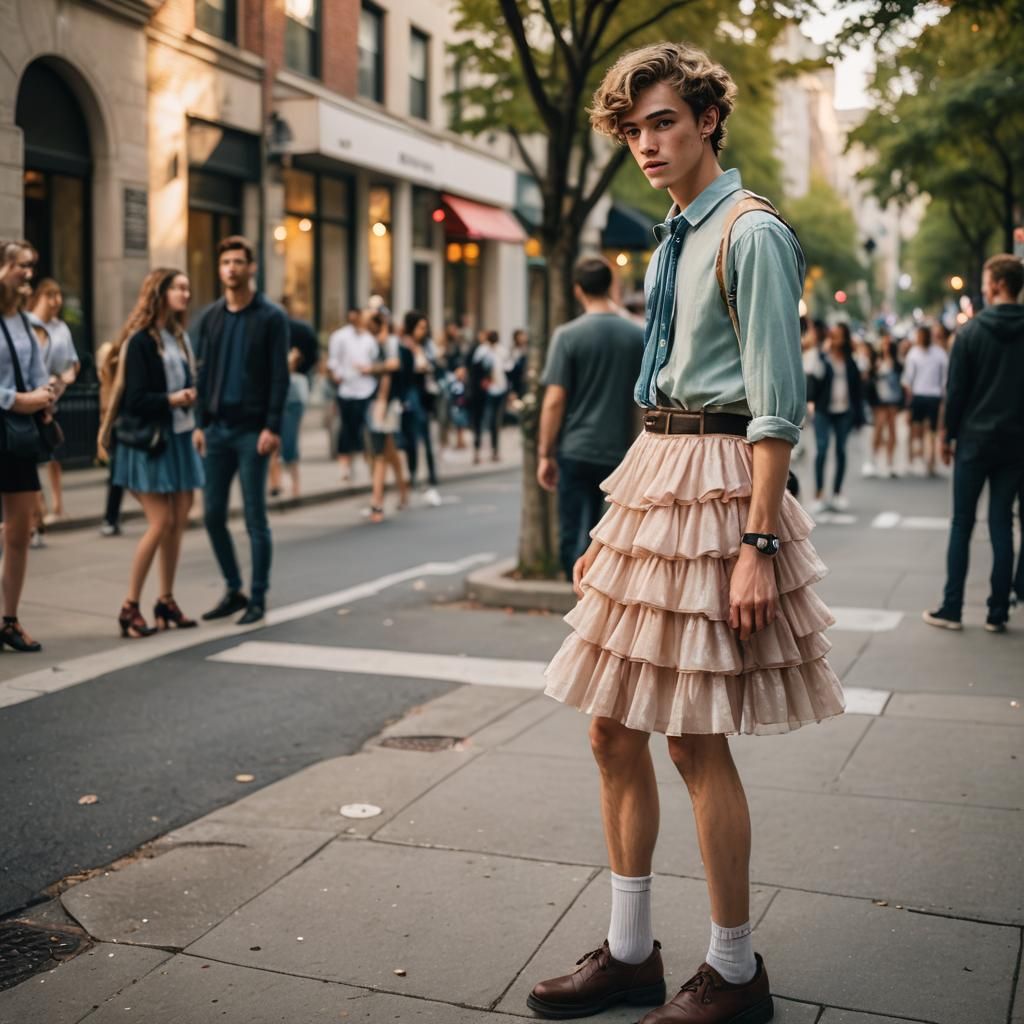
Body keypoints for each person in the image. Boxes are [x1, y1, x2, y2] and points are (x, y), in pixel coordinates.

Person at [530, 44, 844, 1024]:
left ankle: (735, 971)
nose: (646, 143)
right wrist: (615, 527)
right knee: (610, 726)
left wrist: (757, 545)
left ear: (708, 118)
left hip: (718, 486)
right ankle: (630, 955)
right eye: (632, 130)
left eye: (662, 121)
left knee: (691, 738)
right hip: (656, 478)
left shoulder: (751, 233)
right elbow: (657, 397)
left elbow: (776, 407)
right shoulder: (671, 238)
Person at [98, 269, 204, 637]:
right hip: (150, 442)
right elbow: (136, 400)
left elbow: (191, 383)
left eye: (187, 287)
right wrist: (174, 399)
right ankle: (129, 607)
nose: (185, 293)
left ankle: (165, 601)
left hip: (180, 437)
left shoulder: (179, 338)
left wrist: (194, 410)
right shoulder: (141, 341)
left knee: (177, 521)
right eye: (178, 287)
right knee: (160, 522)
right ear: (159, 292)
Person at [923, 254, 1024, 634]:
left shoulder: (970, 333)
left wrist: (947, 435)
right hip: (1015, 442)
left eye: (985, 282)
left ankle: (952, 607)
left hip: (974, 440)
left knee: (962, 523)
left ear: (997, 285)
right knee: (1002, 523)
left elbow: (957, 392)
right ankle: (998, 611)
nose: (982, 289)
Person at [193, 236, 288, 626]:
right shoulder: (211, 317)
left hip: (253, 432)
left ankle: (258, 597)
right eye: (225, 262)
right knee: (212, 515)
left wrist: (272, 426)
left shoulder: (271, 317)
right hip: (216, 430)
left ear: (252, 268)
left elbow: (279, 375)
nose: (231, 268)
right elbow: (202, 372)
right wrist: (200, 423)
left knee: (254, 519)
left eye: (237, 262)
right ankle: (234, 589)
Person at [537, 256, 644, 580]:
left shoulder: (567, 336)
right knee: (612, 535)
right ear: (610, 285)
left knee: (572, 531)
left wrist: (545, 453)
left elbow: (554, 400)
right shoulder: (637, 334)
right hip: (622, 451)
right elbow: (646, 400)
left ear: (577, 289)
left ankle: (574, 594)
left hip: (576, 448)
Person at [0, 240, 54, 652]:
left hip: (17, 438)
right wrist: (17, 400)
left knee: (19, 532)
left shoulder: (23, 321)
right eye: (22, 266)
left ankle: (9, 620)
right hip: (9, 418)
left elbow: (37, 371)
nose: (29, 274)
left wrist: (45, 394)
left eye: (31, 266)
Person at [28, 279, 79, 523]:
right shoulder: (25, 324)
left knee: (54, 452)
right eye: (50, 296)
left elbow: (73, 363)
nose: (55, 302)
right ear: (39, 297)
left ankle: (57, 507)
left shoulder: (61, 328)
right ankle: (37, 511)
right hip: (29, 398)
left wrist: (65, 377)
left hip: (54, 398)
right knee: (29, 457)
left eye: (58, 297)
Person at [807, 322, 865, 514]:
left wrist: (859, 416)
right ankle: (818, 494)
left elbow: (857, 391)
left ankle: (837, 492)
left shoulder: (851, 361)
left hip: (844, 411)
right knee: (822, 449)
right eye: (834, 334)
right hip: (823, 410)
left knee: (841, 450)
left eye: (840, 334)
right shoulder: (822, 358)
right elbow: (813, 382)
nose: (836, 337)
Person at [269, 303, 318, 499]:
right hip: (277, 393)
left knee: (287, 440)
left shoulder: (292, 333)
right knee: (274, 439)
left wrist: (292, 363)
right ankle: (276, 483)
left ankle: (291, 484)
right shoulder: (274, 333)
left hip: (291, 393)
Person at [365, 312, 408, 523]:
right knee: (388, 452)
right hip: (373, 402)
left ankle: (377, 502)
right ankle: (403, 490)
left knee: (380, 453)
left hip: (385, 404)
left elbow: (390, 371)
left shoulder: (389, 343)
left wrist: (382, 401)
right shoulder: (373, 343)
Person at [328, 308, 378, 482]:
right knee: (346, 428)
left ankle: (366, 462)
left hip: (366, 389)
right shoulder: (340, 336)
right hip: (347, 389)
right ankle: (345, 465)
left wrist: (369, 369)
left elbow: (375, 360)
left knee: (364, 429)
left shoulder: (369, 338)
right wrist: (337, 375)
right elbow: (333, 360)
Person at [397, 311, 441, 505]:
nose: (424, 331)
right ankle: (415, 474)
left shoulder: (426, 346)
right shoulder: (404, 346)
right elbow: (406, 372)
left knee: (425, 436)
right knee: (413, 437)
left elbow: (434, 366)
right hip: (411, 396)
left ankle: (429, 474)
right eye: (421, 327)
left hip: (424, 396)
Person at [902, 323, 948, 477]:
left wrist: (942, 396)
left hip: (931, 395)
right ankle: (918, 458)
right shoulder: (915, 353)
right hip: (920, 395)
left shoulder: (938, 354)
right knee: (918, 428)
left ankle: (930, 461)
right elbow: (908, 378)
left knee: (930, 430)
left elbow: (944, 377)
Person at [96, 337, 125, 535]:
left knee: (117, 476)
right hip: (114, 430)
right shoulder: (105, 380)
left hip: (119, 428)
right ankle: (110, 518)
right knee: (116, 476)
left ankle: (110, 518)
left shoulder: (114, 378)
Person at [866, 332, 903, 478]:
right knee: (879, 428)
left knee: (892, 430)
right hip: (880, 400)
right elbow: (870, 378)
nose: (886, 346)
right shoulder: (876, 361)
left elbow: (900, 380)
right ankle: (873, 460)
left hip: (893, 399)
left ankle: (890, 462)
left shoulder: (896, 364)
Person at [470, 330, 508, 463]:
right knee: (481, 421)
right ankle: (477, 451)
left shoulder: (501, 351)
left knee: (495, 422)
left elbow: (507, 369)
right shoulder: (482, 351)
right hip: (485, 392)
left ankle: (494, 450)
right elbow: (475, 370)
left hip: (499, 389)